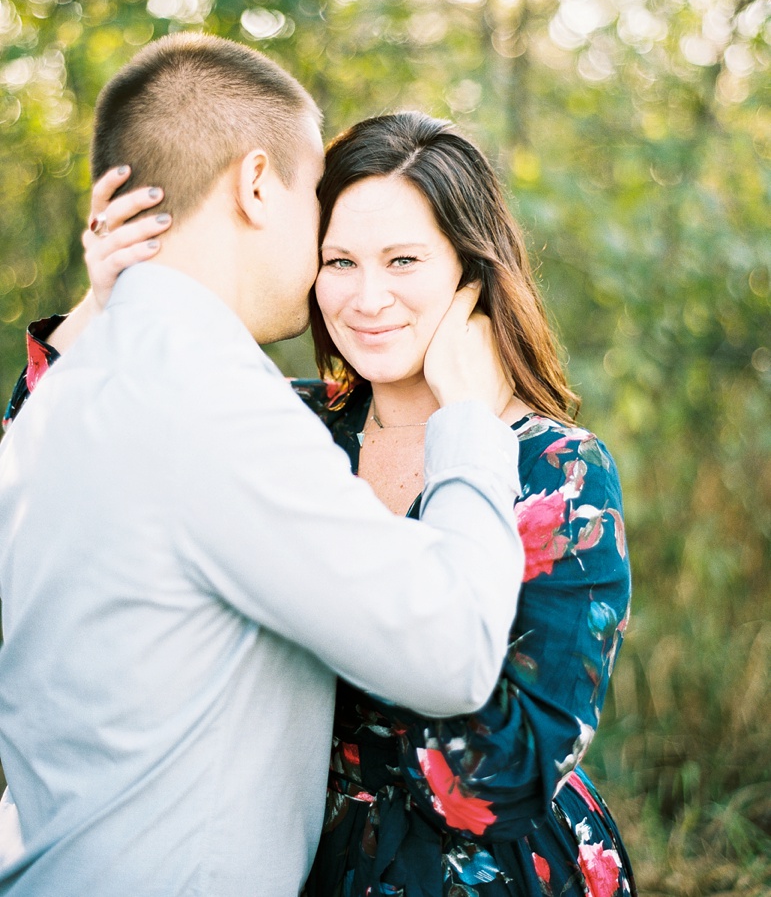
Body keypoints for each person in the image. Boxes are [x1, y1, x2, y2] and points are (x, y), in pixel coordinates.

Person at [12, 110, 637, 896]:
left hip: (476, 875)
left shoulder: (558, 473)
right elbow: (46, 464)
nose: (366, 297)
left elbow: (494, 781)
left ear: (470, 273)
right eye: (339, 260)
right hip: (280, 852)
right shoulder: (290, 424)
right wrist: (109, 299)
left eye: (403, 259)